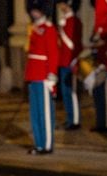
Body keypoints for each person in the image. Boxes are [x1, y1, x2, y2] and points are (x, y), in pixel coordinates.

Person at [24, 0, 59, 154]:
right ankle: (39, 144)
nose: (34, 13)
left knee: (45, 113)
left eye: (37, 10)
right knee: (35, 113)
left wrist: (51, 75)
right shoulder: (34, 28)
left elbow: (53, 53)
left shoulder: (49, 29)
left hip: (44, 76)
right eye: (33, 10)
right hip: (33, 74)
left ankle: (47, 144)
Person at [87, 0, 107, 132]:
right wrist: (94, 36)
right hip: (99, 51)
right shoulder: (99, 2)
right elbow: (98, 23)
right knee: (98, 89)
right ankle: (101, 121)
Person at [57, 0, 83, 129]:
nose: (60, 6)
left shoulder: (74, 21)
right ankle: (70, 118)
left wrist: (62, 31)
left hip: (70, 61)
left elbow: (74, 44)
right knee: (65, 92)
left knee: (71, 92)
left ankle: (75, 120)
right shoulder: (65, 21)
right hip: (62, 60)